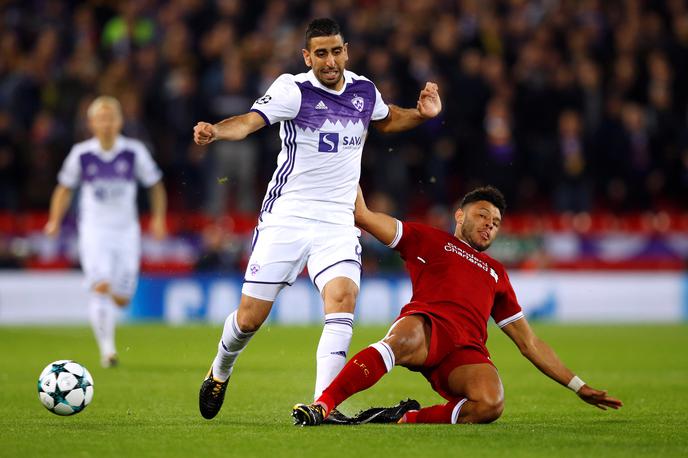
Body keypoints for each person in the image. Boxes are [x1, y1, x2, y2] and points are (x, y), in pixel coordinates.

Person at [193, 17, 442, 420]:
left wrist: (421, 113)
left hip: (338, 220)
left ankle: (322, 404)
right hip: (287, 216)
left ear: (346, 51)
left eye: (336, 51)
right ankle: (221, 368)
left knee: (343, 300)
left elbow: (387, 119)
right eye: (321, 53)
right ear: (308, 56)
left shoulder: (364, 90)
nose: (330, 60)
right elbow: (249, 122)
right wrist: (215, 132)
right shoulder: (293, 89)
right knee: (250, 318)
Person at [292, 185, 622, 426]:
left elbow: (529, 342)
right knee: (401, 339)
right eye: (482, 215)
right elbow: (363, 215)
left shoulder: (497, 273)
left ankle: (401, 419)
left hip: (466, 351)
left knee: (490, 404)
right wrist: (345, 160)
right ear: (460, 215)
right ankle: (323, 405)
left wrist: (578, 386)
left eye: (495, 221)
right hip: (428, 328)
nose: (490, 223)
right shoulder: (428, 239)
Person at [44, 96, 167, 368]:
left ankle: (110, 300)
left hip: (126, 232)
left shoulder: (134, 152)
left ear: (120, 121)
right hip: (94, 231)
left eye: (111, 118)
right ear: (91, 123)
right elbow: (64, 188)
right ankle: (108, 351)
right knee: (100, 286)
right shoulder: (81, 154)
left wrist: (158, 219)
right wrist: (54, 220)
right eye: (101, 118)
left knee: (122, 298)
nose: (106, 124)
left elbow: (155, 185)